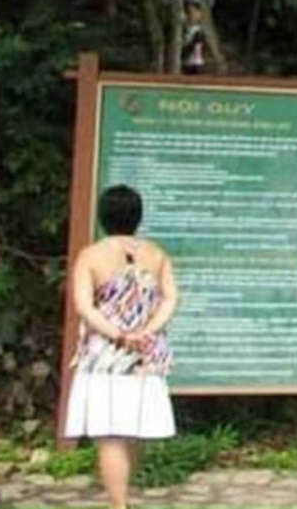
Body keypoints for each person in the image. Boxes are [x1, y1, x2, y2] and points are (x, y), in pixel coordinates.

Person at [64, 186, 178, 509]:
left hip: (105, 357)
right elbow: (171, 298)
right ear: (137, 216)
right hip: (145, 356)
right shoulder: (157, 255)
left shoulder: (91, 256)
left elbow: (85, 306)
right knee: (134, 429)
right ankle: (124, 496)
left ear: (103, 216)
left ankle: (119, 504)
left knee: (110, 434)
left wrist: (119, 334)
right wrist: (147, 332)